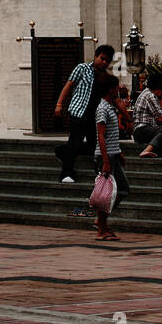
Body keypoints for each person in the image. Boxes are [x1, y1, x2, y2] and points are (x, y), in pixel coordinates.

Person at [54, 45, 115, 183]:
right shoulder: (82, 68)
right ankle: (66, 173)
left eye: (107, 60)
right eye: (102, 59)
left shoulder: (106, 77)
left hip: (95, 116)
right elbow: (68, 85)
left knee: (94, 146)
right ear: (96, 56)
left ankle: (62, 150)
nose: (104, 62)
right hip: (79, 111)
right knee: (75, 142)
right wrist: (59, 104)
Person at [93, 75, 130, 242]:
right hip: (105, 157)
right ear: (110, 89)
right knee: (106, 194)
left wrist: (119, 151)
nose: (118, 91)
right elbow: (101, 136)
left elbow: (127, 120)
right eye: (116, 88)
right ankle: (101, 227)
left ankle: (101, 222)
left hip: (113, 154)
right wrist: (106, 162)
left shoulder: (110, 106)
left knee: (122, 189)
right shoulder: (102, 108)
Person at [131, 73, 162, 158]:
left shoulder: (148, 93)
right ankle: (147, 150)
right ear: (159, 89)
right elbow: (161, 118)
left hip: (146, 130)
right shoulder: (150, 95)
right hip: (141, 130)